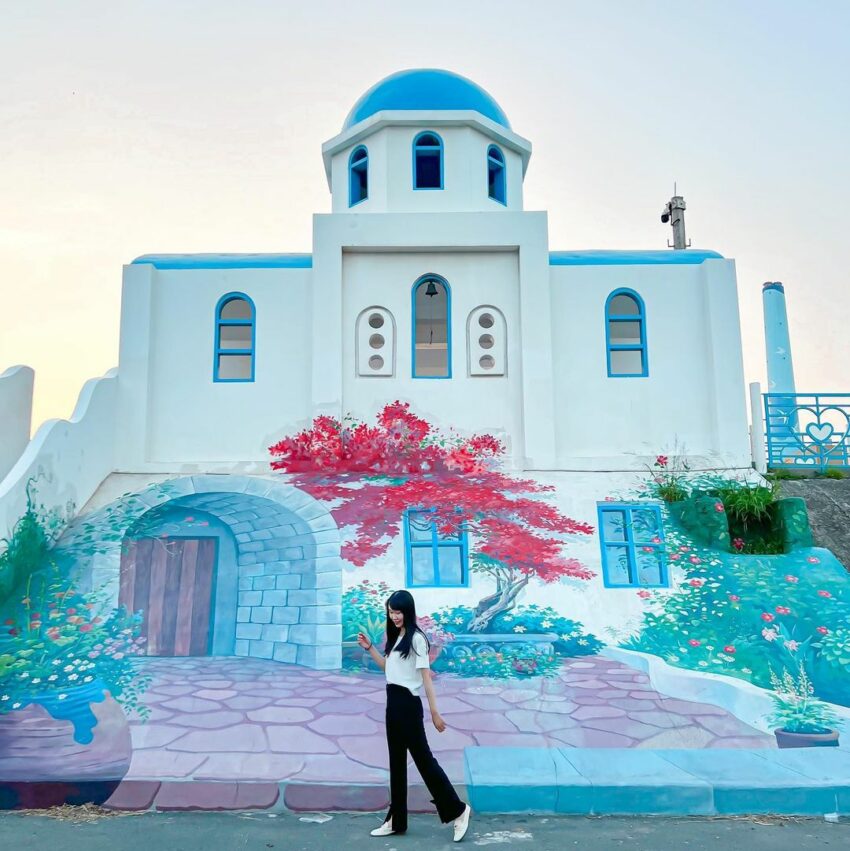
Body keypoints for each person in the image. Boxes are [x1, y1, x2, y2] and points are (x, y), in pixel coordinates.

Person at [358, 589, 471, 842]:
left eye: (397, 612)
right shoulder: (396, 637)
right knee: (396, 764)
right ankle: (396, 821)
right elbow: (390, 669)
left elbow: (426, 679)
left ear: (407, 611)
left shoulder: (417, 639)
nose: (394, 616)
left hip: (408, 706)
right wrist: (369, 649)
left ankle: (458, 809)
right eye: (390, 612)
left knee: (424, 761)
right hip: (393, 702)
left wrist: (435, 712)